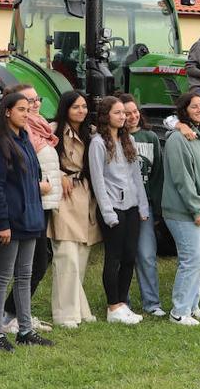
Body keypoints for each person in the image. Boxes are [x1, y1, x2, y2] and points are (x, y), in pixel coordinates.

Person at [0, 91, 54, 351]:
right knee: (4, 275)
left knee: (24, 276)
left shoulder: (24, 138)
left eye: (29, 109)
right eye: (21, 110)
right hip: (11, 221)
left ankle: (25, 330)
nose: (26, 114)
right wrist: (2, 223)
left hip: (31, 219)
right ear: (7, 111)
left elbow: (31, 180)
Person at [0, 84, 58, 335]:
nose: (35, 105)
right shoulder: (21, 132)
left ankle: (19, 313)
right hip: (30, 202)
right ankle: (9, 314)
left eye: (37, 100)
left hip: (43, 201)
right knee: (33, 264)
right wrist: (37, 186)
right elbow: (16, 170)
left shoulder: (39, 126)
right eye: (28, 102)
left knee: (37, 262)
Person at [88, 96, 151, 325]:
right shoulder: (98, 143)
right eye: (118, 113)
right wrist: (107, 212)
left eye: (124, 113)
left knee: (129, 256)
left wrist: (142, 206)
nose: (123, 117)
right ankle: (112, 305)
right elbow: (98, 180)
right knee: (113, 257)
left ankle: (122, 303)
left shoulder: (129, 140)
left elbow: (136, 177)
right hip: (113, 207)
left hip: (132, 206)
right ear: (106, 116)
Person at [161, 92, 200, 326]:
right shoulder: (177, 139)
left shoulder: (197, 134)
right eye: (194, 107)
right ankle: (179, 311)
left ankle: (192, 306)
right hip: (183, 211)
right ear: (184, 110)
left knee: (198, 258)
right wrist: (196, 209)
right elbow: (181, 179)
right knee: (191, 258)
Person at [48, 91, 101, 327]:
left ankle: (79, 308)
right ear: (65, 108)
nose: (81, 111)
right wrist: (59, 175)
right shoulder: (53, 129)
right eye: (76, 107)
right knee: (66, 254)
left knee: (80, 255)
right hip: (64, 195)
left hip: (86, 194)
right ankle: (65, 313)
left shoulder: (91, 132)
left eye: (84, 106)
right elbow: (41, 158)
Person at [121, 94, 166, 318]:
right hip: (123, 204)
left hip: (145, 204)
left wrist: (156, 209)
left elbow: (158, 174)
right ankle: (122, 301)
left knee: (147, 254)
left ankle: (152, 302)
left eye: (135, 112)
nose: (132, 116)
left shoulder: (150, 137)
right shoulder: (115, 138)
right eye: (126, 113)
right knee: (125, 255)